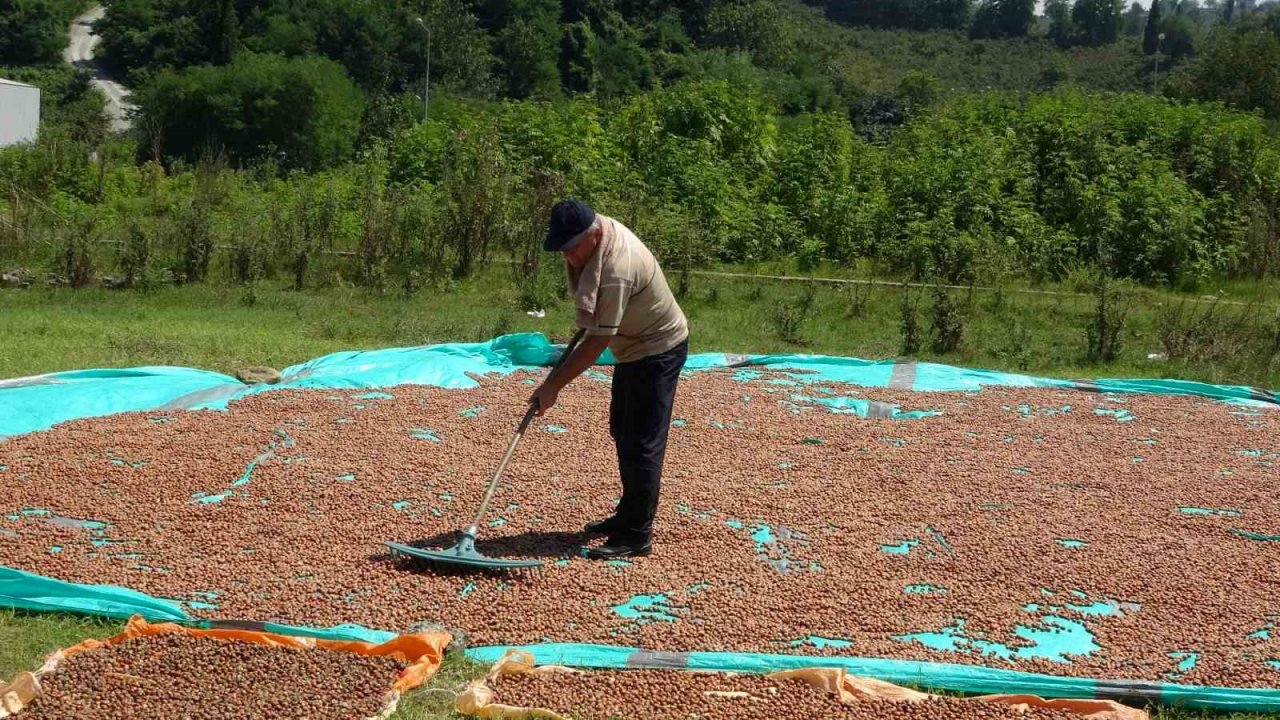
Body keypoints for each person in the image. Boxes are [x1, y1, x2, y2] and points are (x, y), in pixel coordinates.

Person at [529, 199, 689, 560]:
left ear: (594, 234)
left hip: (658, 349)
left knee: (643, 443)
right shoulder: (597, 238)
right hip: (632, 348)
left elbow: (597, 342)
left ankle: (636, 535)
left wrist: (553, 386)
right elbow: (596, 325)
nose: (568, 257)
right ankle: (628, 514)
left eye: (572, 248)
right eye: (562, 249)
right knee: (622, 430)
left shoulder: (617, 268)